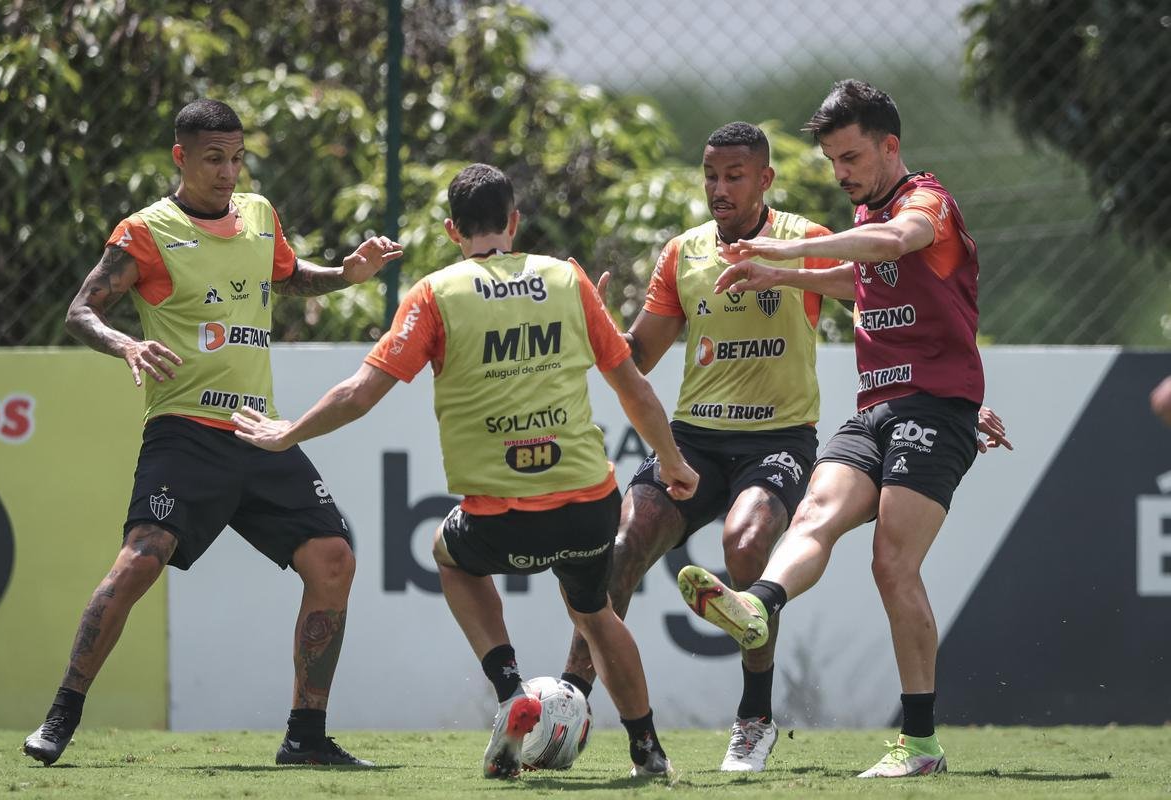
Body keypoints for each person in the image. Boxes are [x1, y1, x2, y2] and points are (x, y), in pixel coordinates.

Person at [232, 163, 699, 780]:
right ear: (514, 221)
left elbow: (360, 393)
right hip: (589, 503)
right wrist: (671, 460)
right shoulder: (566, 278)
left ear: (454, 230)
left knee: (449, 554)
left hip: (503, 517)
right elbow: (633, 389)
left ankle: (511, 691)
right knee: (594, 614)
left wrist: (288, 431)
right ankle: (648, 751)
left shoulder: (435, 294)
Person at [24, 99, 402, 768]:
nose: (228, 172)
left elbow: (286, 279)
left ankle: (305, 736)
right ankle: (62, 714)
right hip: (185, 433)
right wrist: (126, 345)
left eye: (236, 158)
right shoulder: (145, 232)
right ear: (181, 157)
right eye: (212, 159)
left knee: (333, 558)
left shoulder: (258, 215)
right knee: (141, 559)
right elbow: (81, 310)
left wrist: (344, 276)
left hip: (258, 433)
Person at [676, 80, 1012, 778]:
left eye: (851, 157)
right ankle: (756, 604)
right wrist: (776, 271)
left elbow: (892, 243)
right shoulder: (871, 212)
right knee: (813, 515)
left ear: (889, 146)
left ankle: (918, 744)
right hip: (875, 409)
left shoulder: (925, 203)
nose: (840, 173)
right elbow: (860, 282)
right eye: (832, 160)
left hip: (933, 409)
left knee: (891, 564)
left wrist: (790, 255)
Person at [559, 121, 842, 773]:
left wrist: (786, 269)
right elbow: (638, 357)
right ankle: (571, 700)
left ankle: (753, 720)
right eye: (710, 175)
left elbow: (869, 294)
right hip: (693, 442)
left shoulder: (806, 242)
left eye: (733, 176)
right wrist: (593, 331)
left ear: (765, 179)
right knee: (624, 544)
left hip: (776, 438)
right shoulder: (682, 254)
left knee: (743, 546)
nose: (718, 188)